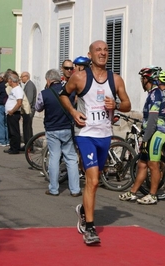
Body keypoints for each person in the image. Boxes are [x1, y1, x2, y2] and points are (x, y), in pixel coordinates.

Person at [60, 40, 131, 245]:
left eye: (106, 50)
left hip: (105, 135)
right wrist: (73, 112)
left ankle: (83, 209)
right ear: (90, 55)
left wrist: (116, 104)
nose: (103, 53)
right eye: (98, 50)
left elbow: (127, 104)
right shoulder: (80, 77)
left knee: (96, 180)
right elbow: (63, 95)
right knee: (91, 180)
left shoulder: (115, 80)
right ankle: (90, 228)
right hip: (86, 134)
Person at [119, 66, 165, 205]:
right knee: (142, 163)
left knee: (153, 164)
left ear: (147, 79)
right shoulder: (152, 93)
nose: (141, 80)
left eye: (142, 78)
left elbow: (153, 120)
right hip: (151, 132)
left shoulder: (155, 95)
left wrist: (145, 139)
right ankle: (133, 192)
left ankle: (152, 195)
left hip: (158, 132)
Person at [35, 68, 81, 197]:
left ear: (48, 80)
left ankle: (54, 189)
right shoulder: (68, 91)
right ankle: (75, 190)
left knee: (54, 157)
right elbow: (75, 102)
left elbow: (38, 108)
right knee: (71, 158)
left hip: (52, 129)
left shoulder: (44, 93)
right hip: (67, 128)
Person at [4, 72, 23, 154]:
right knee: (11, 131)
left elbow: (19, 103)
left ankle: (15, 148)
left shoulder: (18, 90)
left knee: (14, 131)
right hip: (10, 113)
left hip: (14, 113)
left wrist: (12, 111)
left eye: (9, 80)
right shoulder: (13, 89)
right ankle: (12, 147)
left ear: (12, 81)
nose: (8, 81)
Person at [20, 71, 37, 150]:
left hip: (29, 110)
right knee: (26, 127)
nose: (21, 78)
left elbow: (29, 99)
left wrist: (25, 108)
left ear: (26, 77)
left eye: (22, 77)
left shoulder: (29, 85)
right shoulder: (27, 85)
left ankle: (29, 145)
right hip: (27, 110)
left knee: (27, 128)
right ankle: (27, 144)